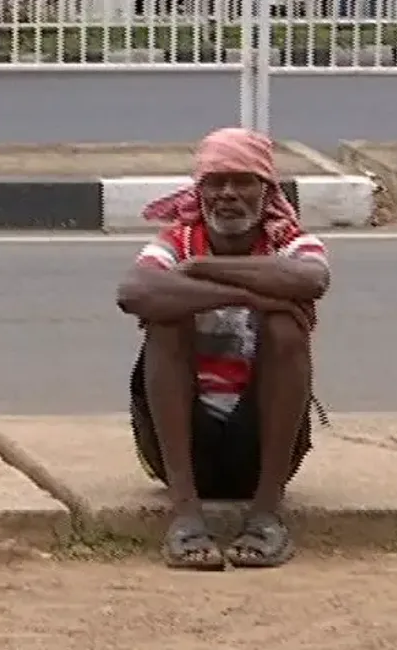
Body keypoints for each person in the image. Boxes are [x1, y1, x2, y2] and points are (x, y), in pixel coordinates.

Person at [115, 127, 331, 571]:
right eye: (216, 182)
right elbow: (134, 291)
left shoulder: (288, 240)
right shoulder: (177, 241)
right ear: (201, 191)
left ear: (266, 191)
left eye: (242, 181)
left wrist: (204, 270)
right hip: (180, 447)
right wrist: (248, 295)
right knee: (164, 323)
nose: (228, 194)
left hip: (261, 449)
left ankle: (266, 514)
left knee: (285, 330)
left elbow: (312, 279)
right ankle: (186, 515)